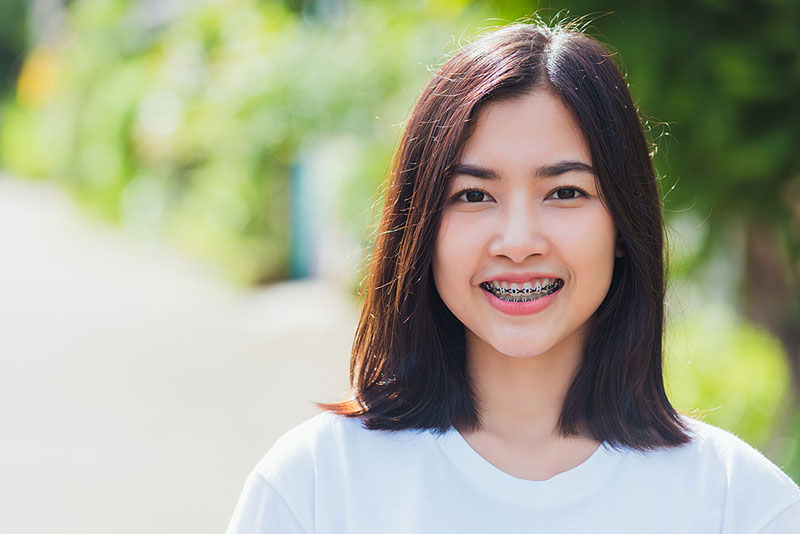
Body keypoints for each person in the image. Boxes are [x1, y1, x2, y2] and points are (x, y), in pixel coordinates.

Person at [227, 20, 800, 533]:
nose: (519, 242)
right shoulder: (318, 488)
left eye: (565, 192)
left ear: (624, 226)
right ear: (421, 225)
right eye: (474, 195)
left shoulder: (736, 504)